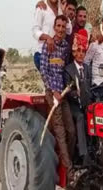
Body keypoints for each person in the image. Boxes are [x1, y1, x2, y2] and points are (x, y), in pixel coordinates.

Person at [40, 15, 76, 182]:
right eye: (58, 26)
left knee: (71, 130)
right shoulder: (49, 45)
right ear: (54, 27)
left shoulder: (65, 47)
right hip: (52, 93)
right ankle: (69, 174)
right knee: (60, 131)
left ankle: (66, 161)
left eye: (63, 26)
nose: (61, 29)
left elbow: (65, 70)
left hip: (63, 93)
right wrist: (53, 91)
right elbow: (44, 71)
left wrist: (64, 90)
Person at [64, 29, 92, 163]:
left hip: (86, 104)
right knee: (80, 117)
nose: (81, 54)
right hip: (74, 106)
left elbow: (90, 87)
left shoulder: (87, 69)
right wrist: (76, 94)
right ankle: (83, 154)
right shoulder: (68, 70)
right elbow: (68, 91)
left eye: (83, 52)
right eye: (78, 51)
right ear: (74, 53)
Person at [32, 0, 72, 70]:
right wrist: (48, 38)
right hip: (41, 53)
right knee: (50, 80)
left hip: (56, 55)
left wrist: (65, 12)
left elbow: (69, 30)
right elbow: (35, 31)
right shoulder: (41, 8)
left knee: (58, 80)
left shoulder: (61, 8)